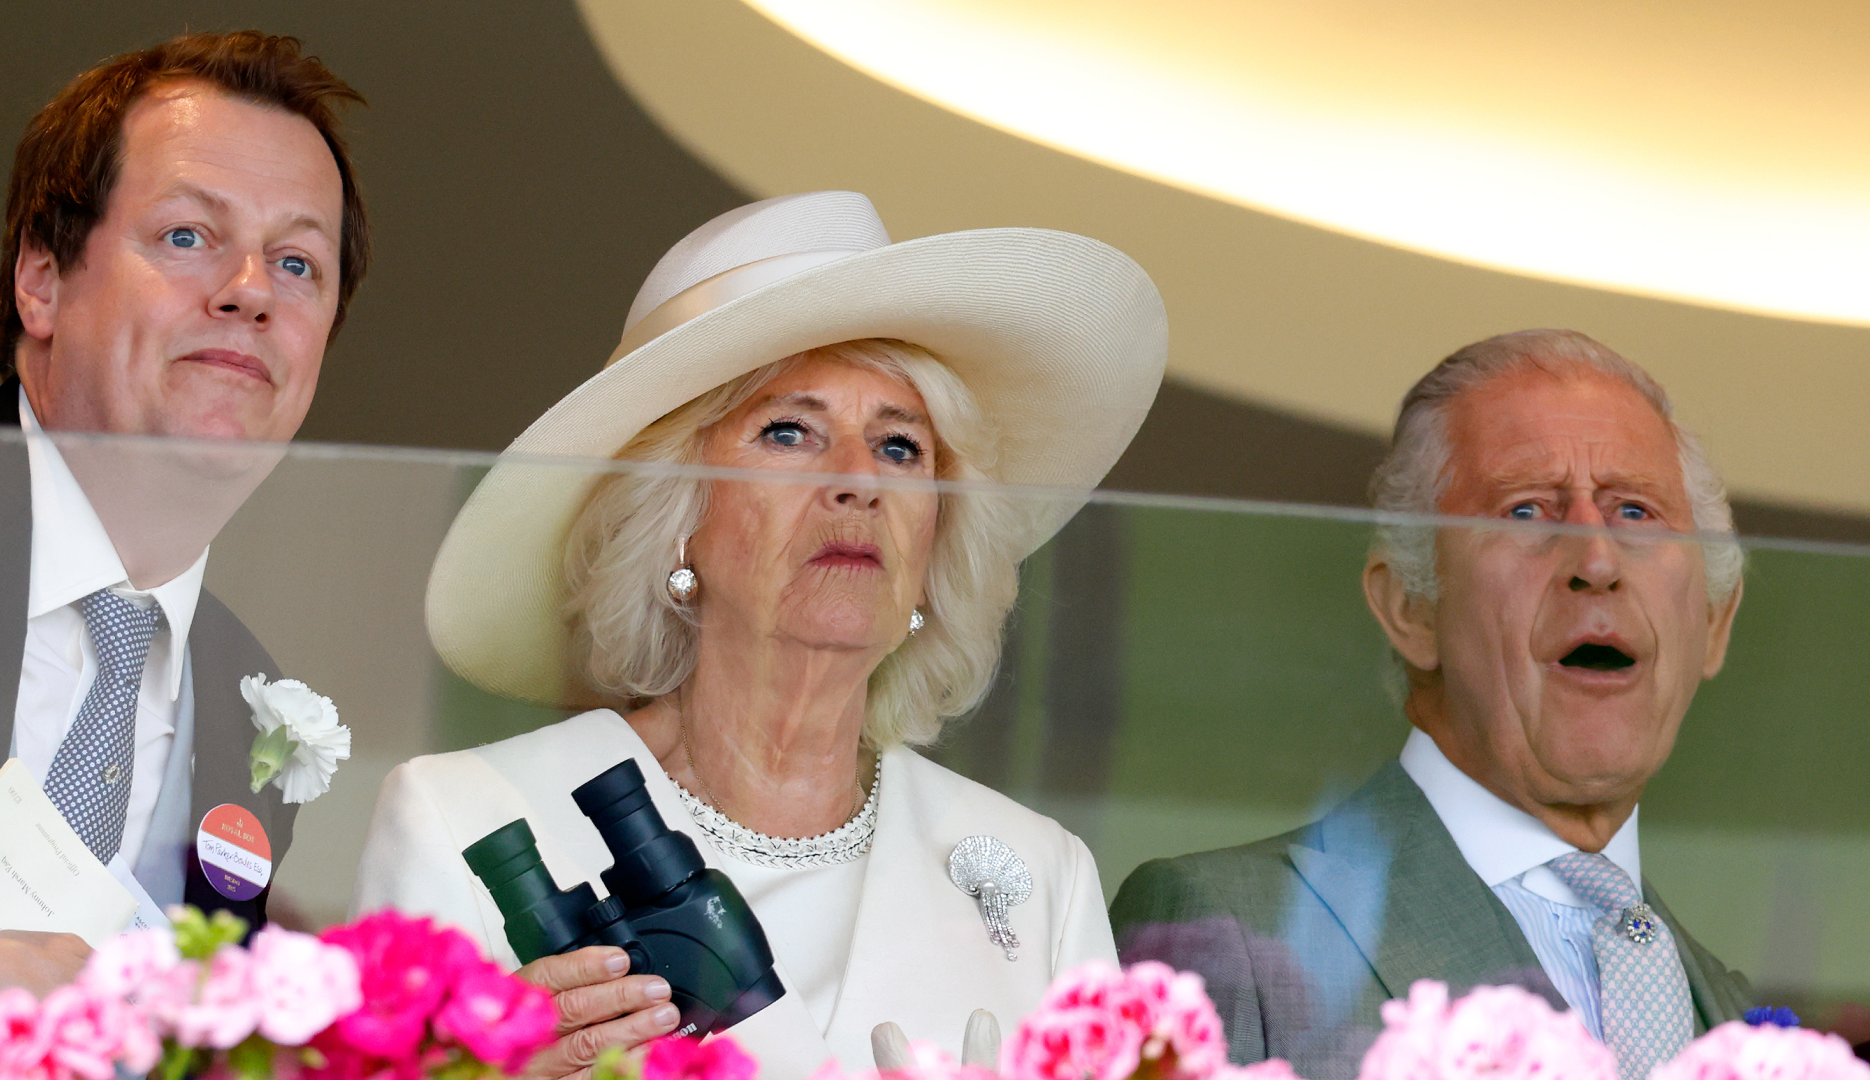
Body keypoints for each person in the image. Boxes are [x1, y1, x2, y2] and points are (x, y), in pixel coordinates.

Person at [351, 191, 1165, 1077]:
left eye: (900, 448)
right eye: (790, 432)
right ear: (676, 516)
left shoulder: (1043, 875)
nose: (860, 483)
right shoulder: (462, 818)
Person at [1110, 330, 1751, 1080]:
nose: (1597, 560)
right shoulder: (1232, 932)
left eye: (1635, 512)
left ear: (1714, 621)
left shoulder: (1738, 1014)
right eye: (1526, 512)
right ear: (1411, 606)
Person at [0, 32, 369, 1003]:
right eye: (187, 236)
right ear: (43, 280)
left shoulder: (248, 700)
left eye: (299, 264)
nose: (251, 291)